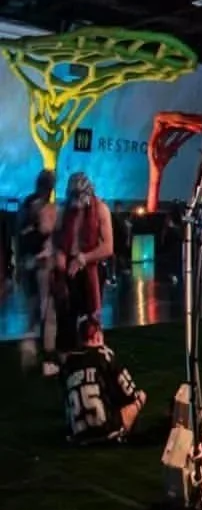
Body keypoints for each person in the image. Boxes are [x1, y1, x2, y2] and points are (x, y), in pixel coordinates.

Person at [62, 315, 146, 444]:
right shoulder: (104, 355)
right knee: (140, 397)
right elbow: (130, 393)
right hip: (106, 430)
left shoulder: (67, 363)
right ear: (97, 336)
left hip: (78, 433)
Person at [57, 173, 115, 358]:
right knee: (67, 312)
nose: (78, 203)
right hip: (69, 265)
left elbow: (108, 247)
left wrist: (83, 258)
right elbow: (59, 241)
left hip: (92, 267)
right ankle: (66, 355)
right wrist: (60, 259)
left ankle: (94, 352)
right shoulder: (65, 211)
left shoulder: (101, 210)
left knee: (90, 313)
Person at [20, 170, 59, 376]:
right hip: (42, 263)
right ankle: (47, 360)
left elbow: (21, 235)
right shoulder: (42, 207)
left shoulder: (26, 203)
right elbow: (45, 231)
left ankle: (28, 345)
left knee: (34, 308)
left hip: (27, 263)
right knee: (48, 311)